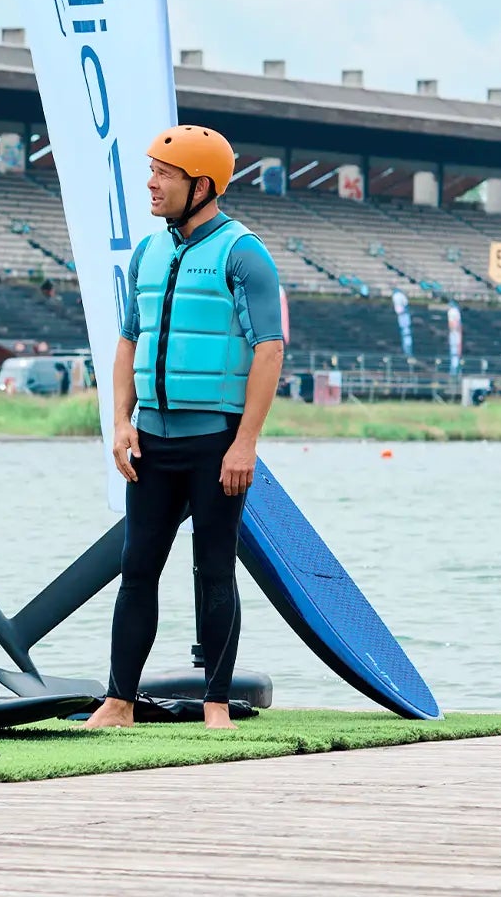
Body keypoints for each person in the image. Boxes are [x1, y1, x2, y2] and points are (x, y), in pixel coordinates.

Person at [84, 125, 284, 730]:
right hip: (151, 440)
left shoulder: (243, 253)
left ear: (201, 185)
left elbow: (269, 349)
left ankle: (217, 704)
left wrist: (244, 443)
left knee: (213, 567)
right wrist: (120, 422)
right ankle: (118, 701)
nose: (151, 183)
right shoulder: (150, 251)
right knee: (138, 565)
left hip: (214, 444)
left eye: (163, 175)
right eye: (152, 171)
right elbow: (127, 341)